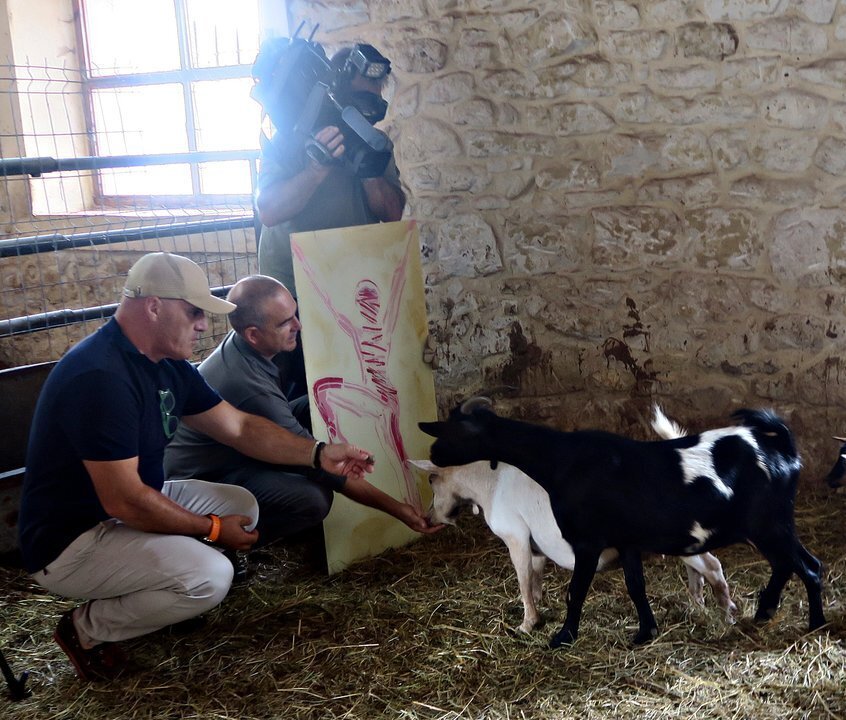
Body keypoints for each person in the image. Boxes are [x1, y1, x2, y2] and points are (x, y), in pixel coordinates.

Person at [17, 252, 375, 682]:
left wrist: (318, 453)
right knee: (211, 576)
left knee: (243, 504)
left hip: (128, 505)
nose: (204, 325)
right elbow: (125, 500)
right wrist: (212, 529)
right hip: (74, 541)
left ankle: (167, 595)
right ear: (154, 307)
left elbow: (239, 427)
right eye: (193, 313)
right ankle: (86, 629)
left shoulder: (166, 363)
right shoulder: (101, 378)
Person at [164, 274, 439, 552]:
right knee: (313, 499)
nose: (298, 325)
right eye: (285, 323)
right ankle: (229, 543)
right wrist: (398, 509)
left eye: (295, 314)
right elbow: (323, 469)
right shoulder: (252, 389)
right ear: (253, 335)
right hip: (209, 474)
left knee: (312, 407)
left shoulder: (248, 344)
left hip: (233, 446)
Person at [254, 43, 406, 398]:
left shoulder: (375, 142)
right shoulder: (289, 138)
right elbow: (269, 210)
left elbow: (393, 213)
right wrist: (315, 169)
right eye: (363, 95)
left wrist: (371, 174)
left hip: (350, 281)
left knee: (354, 383)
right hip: (291, 288)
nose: (371, 104)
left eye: (376, 95)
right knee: (297, 389)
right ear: (337, 88)